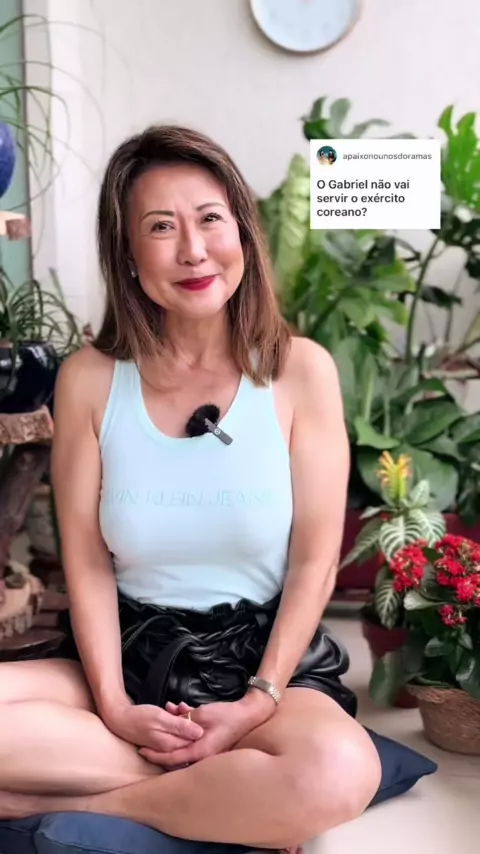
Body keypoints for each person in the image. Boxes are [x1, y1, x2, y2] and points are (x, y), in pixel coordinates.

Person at [0, 125, 381, 850]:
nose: (194, 250)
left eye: (209, 219)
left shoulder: (301, 371)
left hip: (263, 665)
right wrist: (115, 705)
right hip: (130, 654)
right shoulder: (89, 379)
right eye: (160, 227)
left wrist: (257, 702)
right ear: (127, 253)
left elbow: (314, 562)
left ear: (242, 232)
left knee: (339, 772)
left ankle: (71, 801)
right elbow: (86, 561)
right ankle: (224, 795)